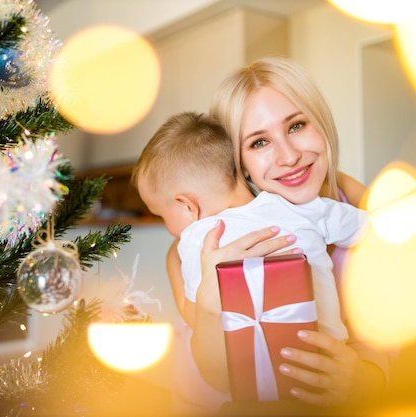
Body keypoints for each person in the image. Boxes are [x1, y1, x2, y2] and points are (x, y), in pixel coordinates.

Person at [165, 57, 391, 411]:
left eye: (297, 125)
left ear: (322, 124)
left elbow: (397, 343)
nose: (289, 156)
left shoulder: (368, 217)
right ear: (237, 164)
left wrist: (366, 379)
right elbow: (211, 375)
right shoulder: (202, 247)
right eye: (258, 142)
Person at [133, 111, 368, 343]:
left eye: (161, 215)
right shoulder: (296, 205)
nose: (168, 228)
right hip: (329, 352)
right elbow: (367, 227)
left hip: (255, 362)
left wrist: (175, 270)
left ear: (187, 205)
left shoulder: (198, 239)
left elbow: (199, 320)